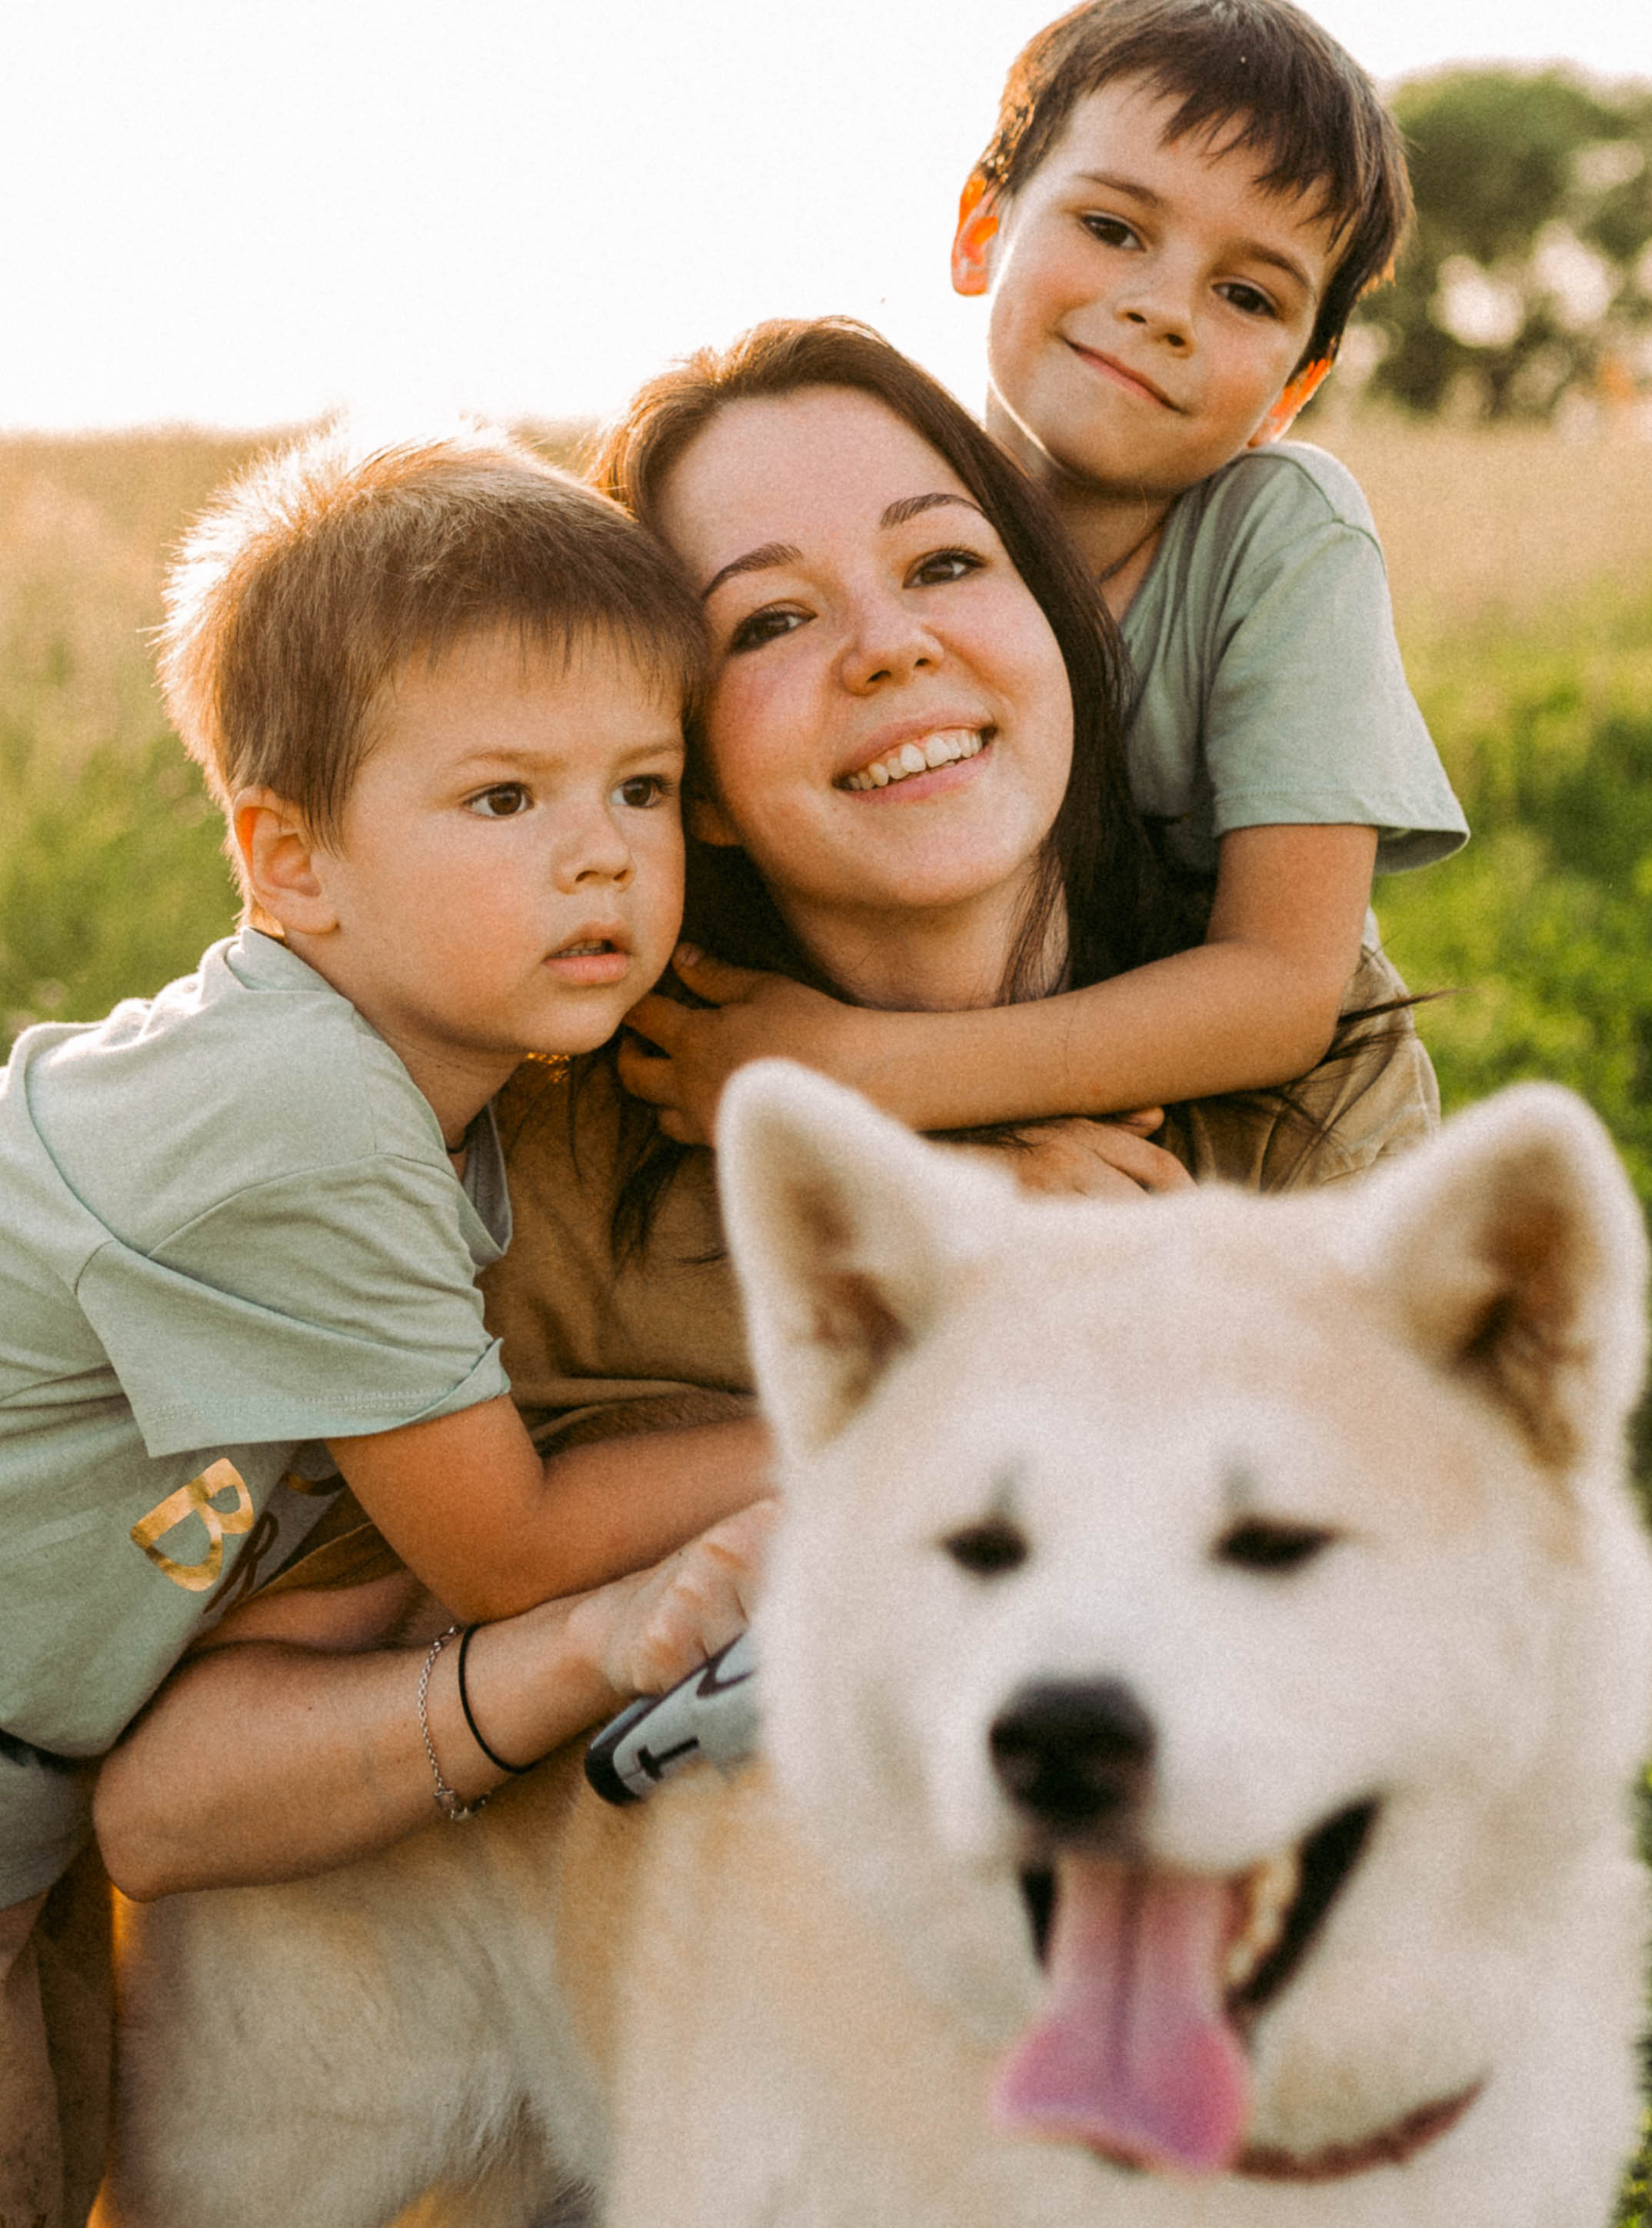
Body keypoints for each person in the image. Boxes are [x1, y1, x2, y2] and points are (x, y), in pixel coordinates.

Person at [93, 319, 1421, 1917]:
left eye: (942, 567)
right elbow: (171, 1810)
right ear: (680, 772)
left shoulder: (1279, 1049)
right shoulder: (553, 1144)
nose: (887, 648)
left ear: (1057, 632)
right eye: (774, 618)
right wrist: (604, 1636)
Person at [0, 422, 774, 2228]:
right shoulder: (309, 1112)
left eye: (641, 790)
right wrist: (857, 1418)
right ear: (291, 863)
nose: (599, 859)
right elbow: (502, 1549)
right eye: (505, 801)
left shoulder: (421, 1092)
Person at [614, 0, 1469, 1179]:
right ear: (981, 228)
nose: (1162, 307)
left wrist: (861, 1078)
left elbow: (1279, 990)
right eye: (1115, 227)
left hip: (1268, 1140)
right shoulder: (868, 493)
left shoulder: (1281, 535)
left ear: (1295, 384)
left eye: (1249, 296)